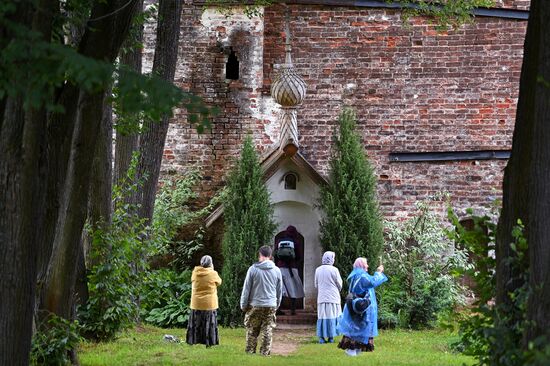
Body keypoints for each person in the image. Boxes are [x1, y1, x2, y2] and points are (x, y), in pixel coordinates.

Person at [337, 257, 387, 356]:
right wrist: (379, 272)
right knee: (359, 328)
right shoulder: (361, 275)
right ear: (361, 265)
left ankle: (356, 352)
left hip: (357, 306)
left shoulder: (356, 274)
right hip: (361, 308)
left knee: (357, 328)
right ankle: (351, 352)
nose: (367, 266)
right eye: (366, 264)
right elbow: (372, 282)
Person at [240, 245, 283, 356]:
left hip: (255, 304)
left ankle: (250, 351)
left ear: (260, 255)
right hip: (271, 304)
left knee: (252, 329)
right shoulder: (277, 270)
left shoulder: (253, 269)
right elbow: (279, 290)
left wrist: (243, 305)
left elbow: (246, 289)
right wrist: (277, 304)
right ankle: (265, 352)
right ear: (270, 256)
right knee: (267, 328)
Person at [186, 255, 222, 347]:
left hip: (196, 303)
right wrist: (212, 269)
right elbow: (219, 282)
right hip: (209, 304)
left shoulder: (195, 272)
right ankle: (209, 342)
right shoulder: (213, 273)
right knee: (209, 323)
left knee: (196, 322)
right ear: (211, 263)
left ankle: (193, 340)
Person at [274, 225, 305, 315]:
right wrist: (295, 262)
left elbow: (275, 253)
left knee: (279, 288)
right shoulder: (296, 241)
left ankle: (278, 309)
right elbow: (299, 255)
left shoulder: (280, 241)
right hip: (292, 268)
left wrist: (279, 262)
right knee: (293, 288)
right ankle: (293, 310)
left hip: (280, 268)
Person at [314, 251, 343, 344]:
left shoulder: (318, 269)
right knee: (332, 316)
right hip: (333, 297)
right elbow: (339, 283)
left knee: (322, 316)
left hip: (322, 297)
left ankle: (321, 338)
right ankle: (331, 337)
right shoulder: (334, 270)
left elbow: (316, 284)